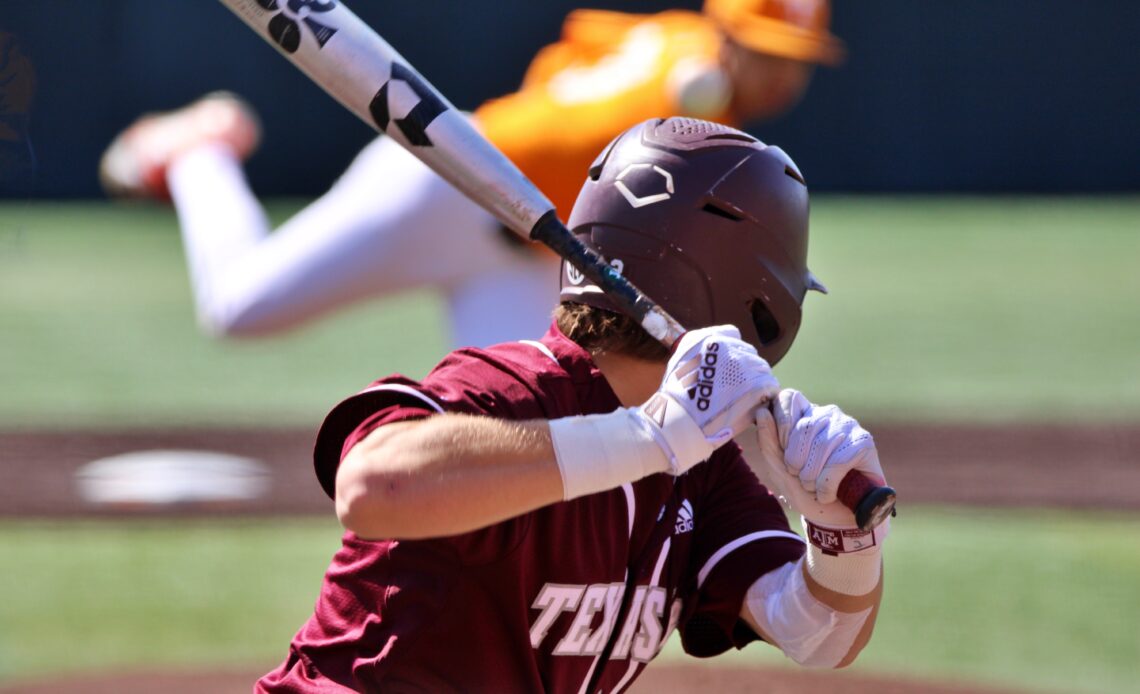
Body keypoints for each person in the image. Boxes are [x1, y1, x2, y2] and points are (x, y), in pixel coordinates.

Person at [255, 117, 890, 692]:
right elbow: (371, 487)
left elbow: (821, 635)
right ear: (759, 301)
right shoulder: (510, 390)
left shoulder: (703, 462)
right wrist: (650, 437)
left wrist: (843, 538)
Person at [98, 0, 844, 349]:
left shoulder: (675, 37)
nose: (782, 74)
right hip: (448, 183)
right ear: (728, 35)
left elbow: (569, 51)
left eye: (795, 60)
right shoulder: (691, 111)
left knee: (526, 422)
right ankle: (201, 152)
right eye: (768, 50)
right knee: (238, 307)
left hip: (526, 249)